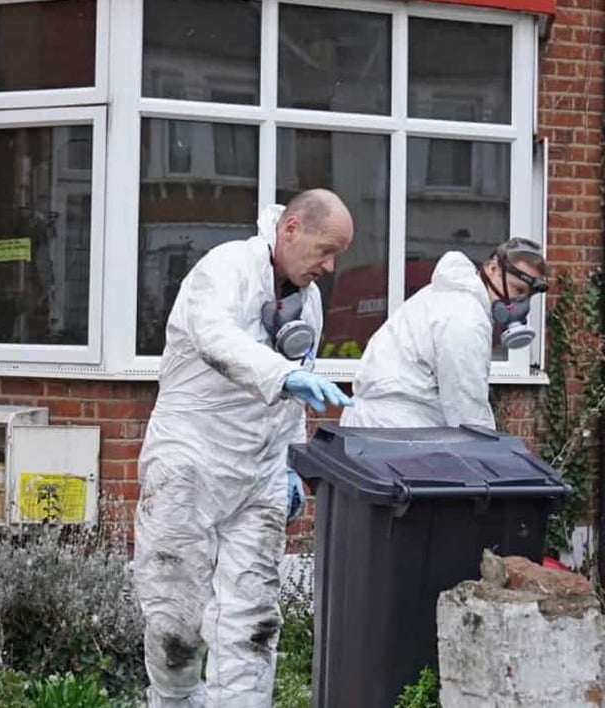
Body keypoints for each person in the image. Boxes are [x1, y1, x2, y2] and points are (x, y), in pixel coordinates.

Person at [133, 189, 355, 707]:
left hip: (259, 474)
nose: (328, 265)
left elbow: (294, 391)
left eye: (336, 255)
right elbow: (215, 338)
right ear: (291, 228)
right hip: (189, 461)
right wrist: (283, 376)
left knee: (253, 618)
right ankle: (175, 700)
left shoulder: (308, 300)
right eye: (324, 249)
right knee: (176, 615)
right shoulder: (226, 268)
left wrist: (292, 463)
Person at [340, 238, 547, 430]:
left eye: (527, 296)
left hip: (381, 425)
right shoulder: (466, 317)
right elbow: (467, 408)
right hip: (396, 428)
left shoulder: (445, 297)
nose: (521, 304)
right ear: (492, 269)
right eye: (518, 290)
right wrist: (488, 457)